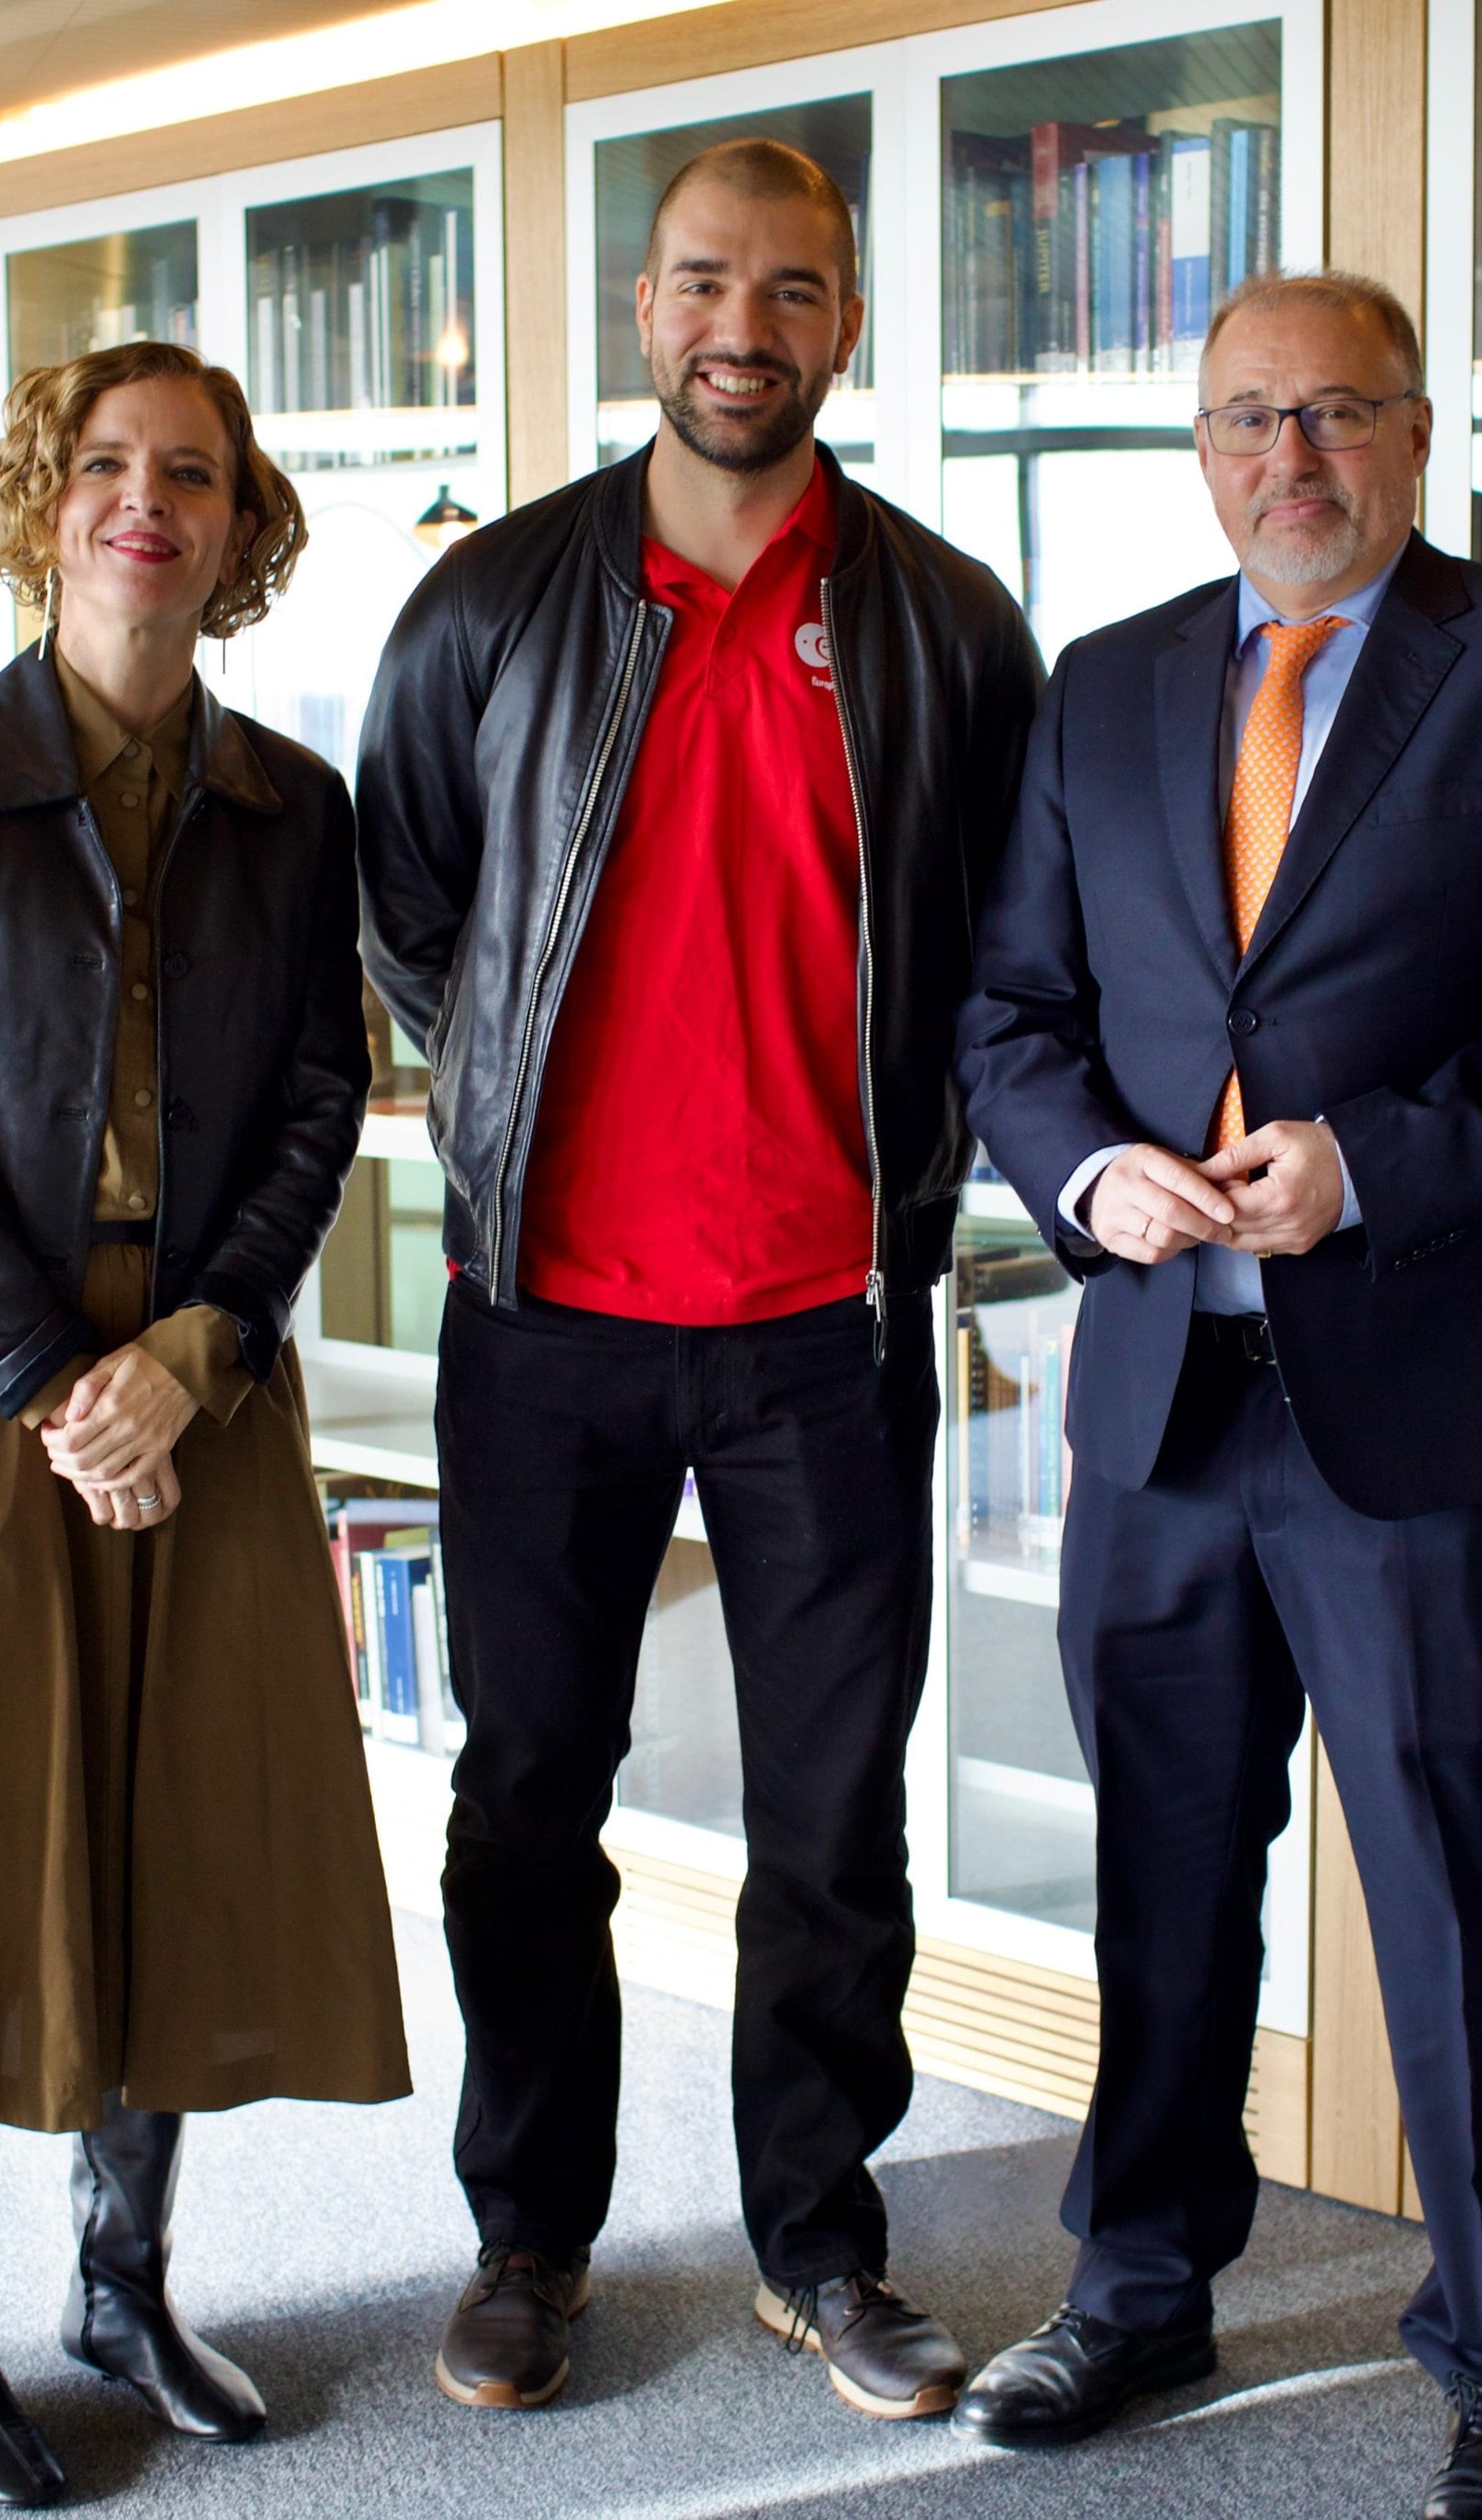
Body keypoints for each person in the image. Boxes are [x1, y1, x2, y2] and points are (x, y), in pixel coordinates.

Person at [953, 270, 1482, 2520]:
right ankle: (1138, 2279)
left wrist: (1366, 1162)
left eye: (1338, 416)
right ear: (1199, 450)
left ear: (1414, 433)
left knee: (1457, 1889)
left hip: (1420, 1400)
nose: (1290, 460)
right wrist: (1095, 1171)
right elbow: (1008, 1013)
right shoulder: (1103, 689)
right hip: (1160, 1401)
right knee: (1163, 1870)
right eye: (1245, 421)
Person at [356, 138, 1043, 2422]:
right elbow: (406, 904)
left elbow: (988, 964)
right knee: (524, 1791)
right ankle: (527, 2236)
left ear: (848, 323)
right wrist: (504, 1118)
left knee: (832, 1816)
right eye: (700, 283)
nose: (740, 325)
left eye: (790, 288)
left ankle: (817, 2243)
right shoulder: (496, 602)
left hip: (819, 1326)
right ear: (640, 310)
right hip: (543, 1317)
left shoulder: (946, 625)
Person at [0, 338, 411, 2510]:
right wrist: (57, 1388)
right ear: (47, 502)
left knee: (175, 1840)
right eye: (109, 467)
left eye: (193, 475)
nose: (150, 502)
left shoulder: (291, 808)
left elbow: (324, 1100)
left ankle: (124, 2288)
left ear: (237, 529)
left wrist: (198, 1356)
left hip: (198, 1391)